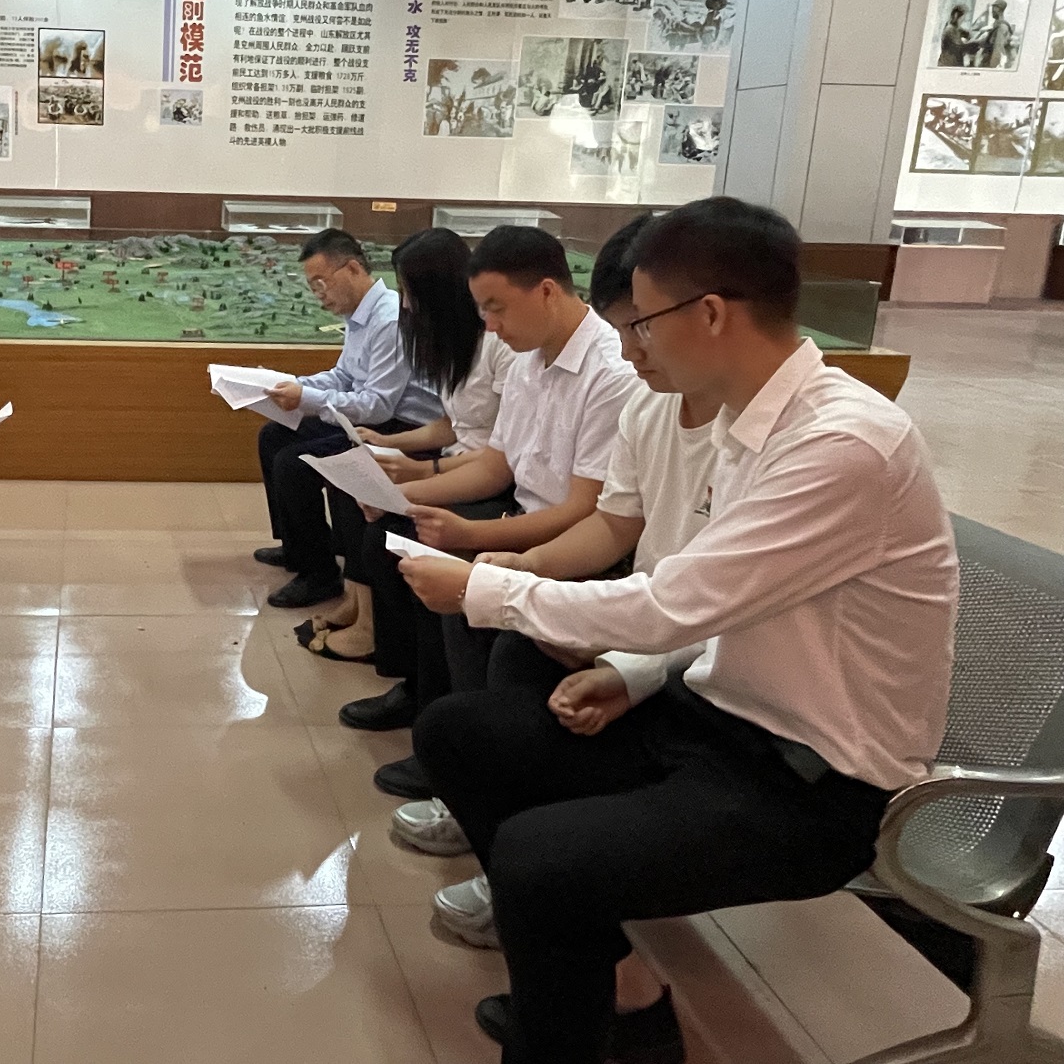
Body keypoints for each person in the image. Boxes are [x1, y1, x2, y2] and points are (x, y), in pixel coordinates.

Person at [401, 197, 957, 1064]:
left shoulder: (843, 445)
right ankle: (612, 993)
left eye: (645, 321)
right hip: (716, 714)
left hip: (814, 776)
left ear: (711, 313)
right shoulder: (734, 419)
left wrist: (487, 587)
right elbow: (702, 599)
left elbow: (676, 600)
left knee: (543, 858)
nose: (634, 343)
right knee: (459, 734)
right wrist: (633, 674)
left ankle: (598, 1020)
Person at [340, 225, 639, 802]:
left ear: (546, 291)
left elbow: (586, 511)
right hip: (525, 512)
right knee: (408, 536)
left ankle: (467, 753)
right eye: (482, 310)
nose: (490, 326)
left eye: (497, 308)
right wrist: (410, 497)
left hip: (569, 534)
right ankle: (433, 711)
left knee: (462, 587)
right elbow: (497, 465)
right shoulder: (529, 356)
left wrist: (472, 533)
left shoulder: (611, 373)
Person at [294, 227, 513, 663]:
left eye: (410, 293)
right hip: (454, 460)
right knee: (350, 484)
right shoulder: (458, 344)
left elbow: (499, 459)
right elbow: (451, 424)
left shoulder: (499, 349)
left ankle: (385, 646)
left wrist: (419, 474)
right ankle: (365, 616)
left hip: (481, 476)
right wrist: (389, 442)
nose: (405, 305)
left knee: (387, 534)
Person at [253, 228, 443, 609]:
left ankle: (320, 575)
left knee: (294, 463)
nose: (319, 294)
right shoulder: (360, 315)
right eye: (312, 286)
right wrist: (294, 385)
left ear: (353, 268)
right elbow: (344, 376)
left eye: (321, 282)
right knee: (273, 437)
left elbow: (378, 405)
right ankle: (297, 547)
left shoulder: (388, 319)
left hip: (402, 428)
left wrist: (306, 398)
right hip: (368, 417)